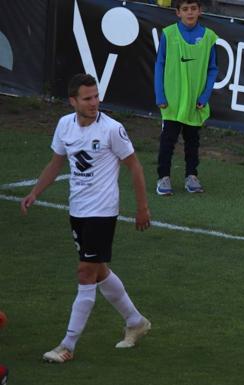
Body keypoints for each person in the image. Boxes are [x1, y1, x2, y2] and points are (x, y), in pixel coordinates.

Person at [20, 73, 152, 363]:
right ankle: (135, 321)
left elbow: (135, 167)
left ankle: (67, 345)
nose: (95, 103)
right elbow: (56, 163)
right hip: (77, 211)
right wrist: (35, 192)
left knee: (85, 273)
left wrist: (142, 207)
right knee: (99, 271)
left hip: (102, 212)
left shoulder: (112, 130)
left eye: (96, 97)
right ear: (73, 101)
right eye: (88, 98)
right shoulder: (64, 126)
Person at [154, 0, 219, 195]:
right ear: (178, 13)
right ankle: (163, 177)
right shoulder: (168, 34)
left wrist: (205, 96)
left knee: (192, 141)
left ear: (200, 11)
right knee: (168, 141)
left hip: (195, 102)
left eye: (193, 8)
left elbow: (213, 69)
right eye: (185, 9)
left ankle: (191, 176)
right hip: (172, 101)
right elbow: (160, 64)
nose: (189, 13)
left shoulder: (208, 37)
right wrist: (160, 95)